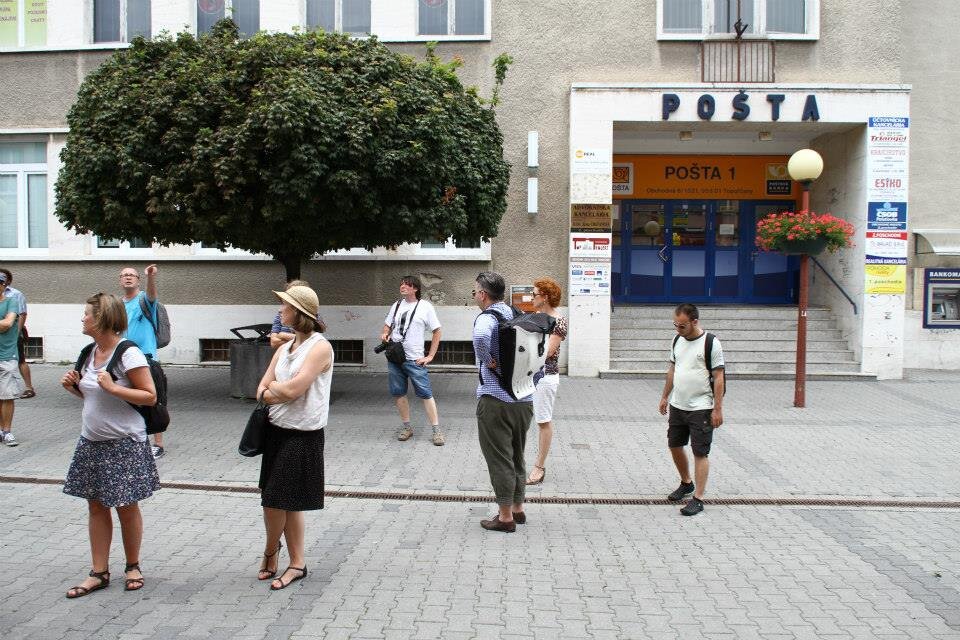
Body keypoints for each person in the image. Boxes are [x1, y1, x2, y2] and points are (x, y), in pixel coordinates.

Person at [60, 293, 160, 598]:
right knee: (96, 506)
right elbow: (95, 397)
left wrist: (113, 387)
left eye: (87, 314)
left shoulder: (128, 353)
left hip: (124, 443)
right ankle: (99, 572)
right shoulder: (89, 352)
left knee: (126, 507)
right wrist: (73, 388)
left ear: (101, 318)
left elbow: (149, 396)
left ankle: (133, 566)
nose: (82, 318)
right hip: (92, 442)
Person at [255, 285, 333, 591]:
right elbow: (260, 389)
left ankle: (284, 558)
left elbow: (292, 390)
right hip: (276, 430)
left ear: (299, 312)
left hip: (303, 434)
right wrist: (275, 392)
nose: (279, 310)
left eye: (285, 306)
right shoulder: (284, 347)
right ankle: (283, 556)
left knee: (280, 499)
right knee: (277, 500)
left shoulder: (320, 347)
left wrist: (274, 391)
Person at [471, 271, 534, 532]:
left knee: (499, 459)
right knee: (517, 455)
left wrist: (488, 360)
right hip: (524, 398)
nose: (474, 296)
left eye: (474, 292)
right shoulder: (515, 313)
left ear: (483, 294)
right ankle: (518, 509)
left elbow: (480, 338)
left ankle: (505, 517)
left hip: (496, 400)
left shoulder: (488, 318)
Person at [658, 303, 725, 516]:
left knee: (700, 452)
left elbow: (719, 377)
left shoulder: (710, 343)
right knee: (674, 445)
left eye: (682, 326)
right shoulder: (677, 340)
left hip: (702, 407)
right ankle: (686, 483)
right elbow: (672, 369)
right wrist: (665, 396)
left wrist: (717, 409)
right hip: (678, 404)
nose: (678, 329)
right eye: (675, 325)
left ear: (694, 322)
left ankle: (699, 498)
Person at [379, 275, 444, 446]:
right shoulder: (396, 305)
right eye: (401, 284)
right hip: (395, 357)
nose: (402, 287)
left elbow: (437, 331)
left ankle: (436, 431)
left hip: (415, 359)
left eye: (407, 285)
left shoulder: (425, 307)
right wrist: (385, 333)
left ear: (415, 288)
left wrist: (430, 356)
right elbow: (387, 326)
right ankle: (407, 427)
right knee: (399, 393)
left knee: (426, 394)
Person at [119, 265, 166, 459]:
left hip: (146, 359)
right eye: (124, 275)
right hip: (124, 358)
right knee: (129, 400)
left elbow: (152, 295)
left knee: (153, 400)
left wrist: (150, 277)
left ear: (138, 280)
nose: (128, 277)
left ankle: (158, 444)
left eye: (132, 275)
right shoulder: (117, 305)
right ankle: (136, 439)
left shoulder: (144, 300)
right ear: (120, 280)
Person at [525, 277, 568, 485]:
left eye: (534, 294)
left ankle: (539, 467)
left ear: (545, 297)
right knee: (522, 418)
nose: (531, 298)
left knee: (543, 421)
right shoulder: (535, 317)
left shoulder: (558, 321)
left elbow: (549, 352)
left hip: (546, 377)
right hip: (527, 375)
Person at [0, 268, 35, 399]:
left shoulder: (16, 294)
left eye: (3, 279)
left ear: (8, 281)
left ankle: (29, 387)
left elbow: (22, 314)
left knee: (21, 360)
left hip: (13, 333)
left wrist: (17, 332)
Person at [0, 272, 24, 446]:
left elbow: (8, 323)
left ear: (3, 286)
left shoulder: (11, 302)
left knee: (7, 395)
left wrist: (4, 324)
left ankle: (7, 431)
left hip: (7, 355)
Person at [268, 279, 316, 349]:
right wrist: (296, 339)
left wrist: (282, 335)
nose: (280, 310)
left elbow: (310, 341)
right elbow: (274, 343)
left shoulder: (311, 316)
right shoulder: (281, 315)